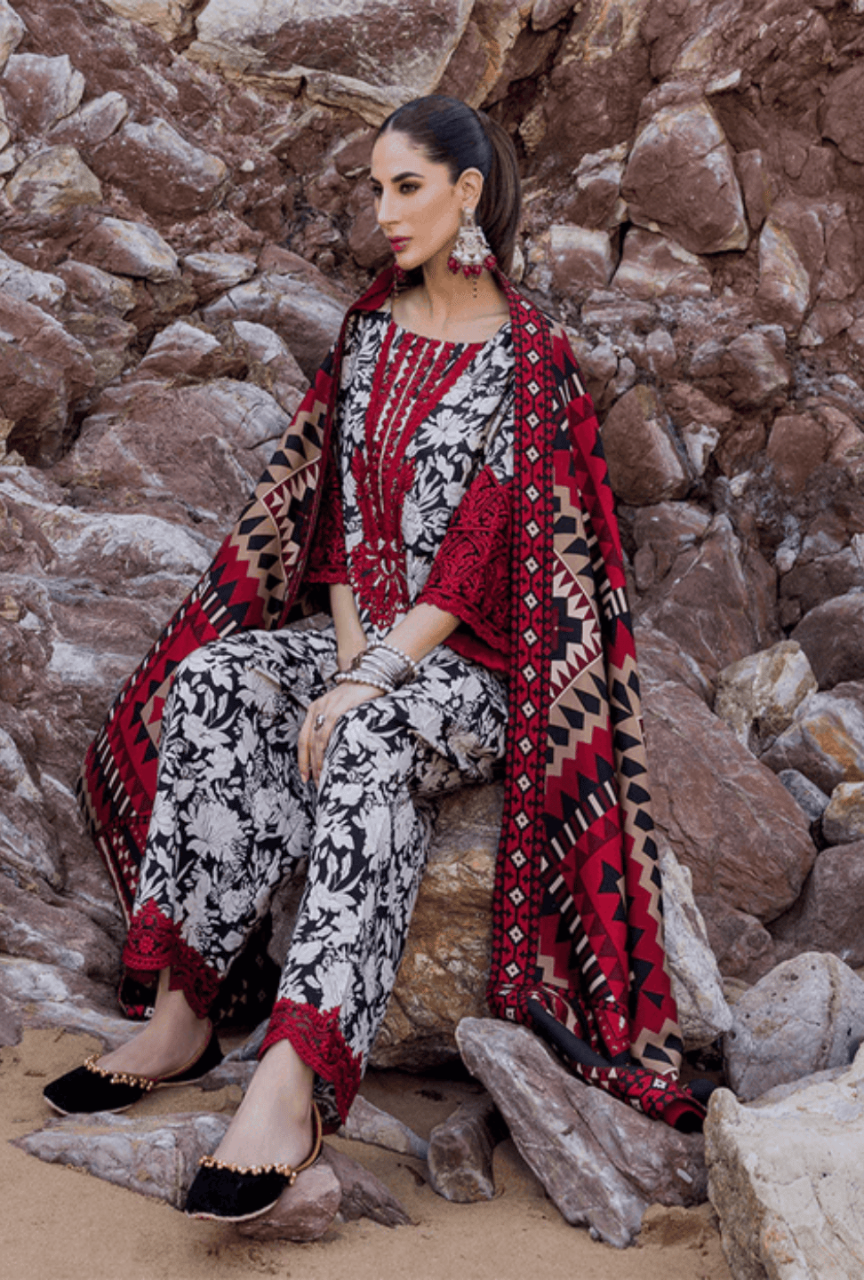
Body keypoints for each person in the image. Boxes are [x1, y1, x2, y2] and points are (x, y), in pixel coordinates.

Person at [44, 95, 709, 1224]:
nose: (385, 209)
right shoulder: (370, 329)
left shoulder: (528, 358)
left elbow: (473, 560)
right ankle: (182, 1007)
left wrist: (371, 682)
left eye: (407, 185)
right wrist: (348, 656)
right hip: (370, 641)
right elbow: (340, 520)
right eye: (374, 186)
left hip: (484, 668)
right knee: (217, 682)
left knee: (367, 734)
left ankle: (296, 1077)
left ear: (468, 191)